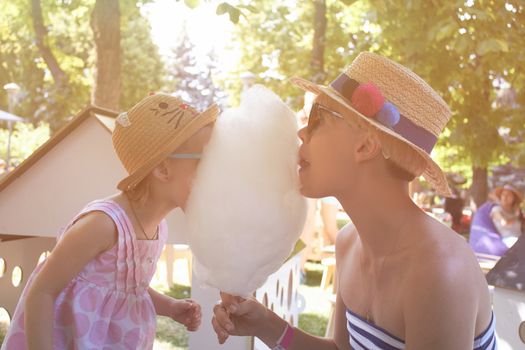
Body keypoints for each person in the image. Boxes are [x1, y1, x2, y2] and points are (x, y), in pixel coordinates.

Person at [212, 52, 496, 349]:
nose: (302, 131)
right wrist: (266, 325)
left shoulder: (439, 272)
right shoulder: (348, 243)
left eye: (318, 117)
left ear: (365, 145)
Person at [1, 93, 216, 350]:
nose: (215, 172)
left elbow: (128, 288)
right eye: (204, 161)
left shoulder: (158, 228)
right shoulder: (102, 225)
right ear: (162, 170)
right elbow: (42, 291)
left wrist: (169, 307)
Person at [470, 183, 524, 256]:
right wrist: (516, 216)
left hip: (518, 239)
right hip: (507, 241)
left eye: (508, 195)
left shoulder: (516, 211)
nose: (505, 197)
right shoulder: (496, 209)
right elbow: (504, 222)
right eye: (503, 195)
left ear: (513, 198)